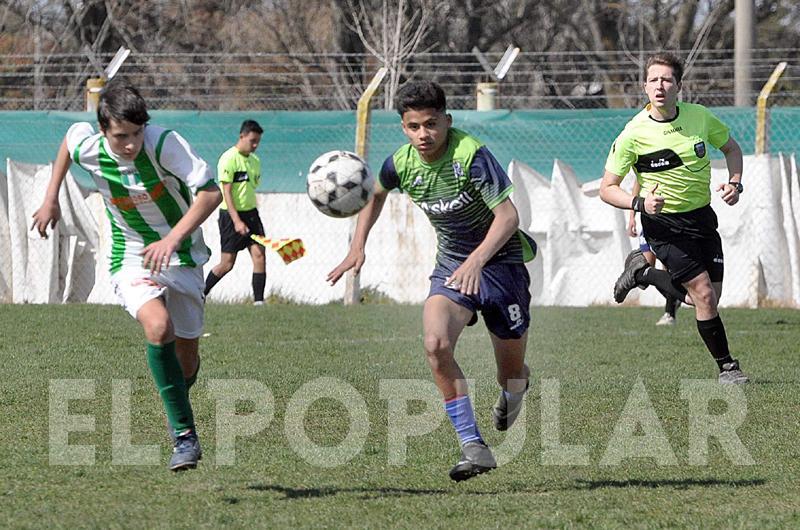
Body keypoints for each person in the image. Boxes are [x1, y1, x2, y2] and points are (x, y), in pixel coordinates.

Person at [328, 80, 538, 481]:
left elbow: (508, 217)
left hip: (502, 265)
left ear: (447, 120)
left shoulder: (470, 155)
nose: (423, 135)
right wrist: (358, 247)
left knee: (508, 372)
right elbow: (375, 193)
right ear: (404, 128)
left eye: (430, 124)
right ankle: (473, 446)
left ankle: (516, 388)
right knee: (435, 343)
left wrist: (478, 260)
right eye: (413, 126)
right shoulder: (400, 163)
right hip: (452, 267)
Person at [31, 80, 221, 470]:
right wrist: (50, 198)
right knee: (158, 326)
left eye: (136, 134)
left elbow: (210, 193)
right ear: (104, 130)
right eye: (121, 137)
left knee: (186, 359)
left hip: (182, 254)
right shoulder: (92, 147)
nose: (130, 144)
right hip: (130, 254)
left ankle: (176, 405)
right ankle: (184, 435)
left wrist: (172, 238)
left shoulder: (164, 143)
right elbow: (69, 140)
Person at [599, 52, 749, 384]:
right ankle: (728, 367)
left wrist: (736, 184)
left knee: (710, 299)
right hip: (664, 225)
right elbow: (607, 188)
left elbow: (733, 150)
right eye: (653, 80)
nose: (660, 86)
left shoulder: (700, 117)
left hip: (702, 218)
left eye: (667, 79)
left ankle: (644, 273)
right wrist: (638, 203)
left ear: (679, 85)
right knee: (704, 295)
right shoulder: (633, 133)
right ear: (644, 87)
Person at [203, 120, 267, 304]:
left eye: (258, 142)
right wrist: (237, 221)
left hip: (251, 214)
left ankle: (259, 303)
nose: (255, 145)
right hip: (231, 216)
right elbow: (226, 192)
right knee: (227, 264)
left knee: (259, 255)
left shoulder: (255, 161)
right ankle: (201, 294)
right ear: (242, 136)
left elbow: (251, 187)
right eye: (252, 140)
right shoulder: (228, 158)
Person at [626, 179, 681, 326]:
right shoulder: (642, 169)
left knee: (668, 268)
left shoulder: (671, 169)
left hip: (668, 222)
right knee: (645, 272)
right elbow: (635, 191)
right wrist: (632, 218)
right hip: (648, 222)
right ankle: (677, 297)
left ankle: (669, 313)